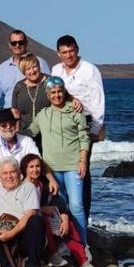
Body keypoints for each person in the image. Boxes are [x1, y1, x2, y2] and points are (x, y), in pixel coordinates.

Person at [28, 77, 91, 255]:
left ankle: (83, 245)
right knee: (59, 209)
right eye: (53, 93)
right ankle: (64, 244)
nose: (56, 95)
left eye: (59, 91)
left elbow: (84, 137)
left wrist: (83, 160)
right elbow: (30, 132)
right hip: (52, 169)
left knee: (76, 206)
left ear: (64, 92)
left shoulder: (76, 111)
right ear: (48, 96)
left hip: (73, 166)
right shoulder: (43, 115)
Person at [51, 35, 105, 220]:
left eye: (71, 51)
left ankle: (84, 219)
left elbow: (98, 103)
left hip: (85, 123)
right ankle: (65, 220)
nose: (68, 55)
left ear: (77, 50)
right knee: (61, 171)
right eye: (64, 52)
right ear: (59, 54)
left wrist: (94, 132)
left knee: (82, 172)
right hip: (62, 125)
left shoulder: (90, 70)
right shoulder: (56, 70)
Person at [21, 154, 100, 267]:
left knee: (69, 224)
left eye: (37, 166)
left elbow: (58, 202)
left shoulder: (45, 185)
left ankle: (83, 263)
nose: (35, 169)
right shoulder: (21, 187)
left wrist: (65, 216)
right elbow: (22, 210)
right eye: (31, 167)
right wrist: (42, 209)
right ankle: (53, 254)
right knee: (43, 219)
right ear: (24, 169)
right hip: (31, 230)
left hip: (50, 225)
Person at [0, 30, 51, 132]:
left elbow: (51, 88)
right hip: (8, 113)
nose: (17, 45)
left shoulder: (39, 63)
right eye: (14, 43)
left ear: (26, 43)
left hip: (34, 112)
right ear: (9, 45)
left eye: (21, 42)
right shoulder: (2, 69)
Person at [0, 159, 47, 267]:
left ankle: (34, 266)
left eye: (13, 172)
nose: (9, 176)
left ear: (19, 172)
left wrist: (11, 233)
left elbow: (29, 214)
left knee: (36, 221)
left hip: (22, 232)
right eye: (5, 173)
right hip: (0, 232)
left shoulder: (29, 187)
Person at [0, 109, 43, 180]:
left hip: (24, 180)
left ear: (16, 125)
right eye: (4, 125)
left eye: (12, 124)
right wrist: (8, 177)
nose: (8, 127)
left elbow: (38, 161)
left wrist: (51, 179)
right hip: (0, 179)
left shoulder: (27, 140)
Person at [11, 53, 52, 133]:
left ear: (39, 67)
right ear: (24, 72)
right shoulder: (19, 86)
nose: (32, 71)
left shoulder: (50, 82)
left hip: (48, 131)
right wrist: (16, 131)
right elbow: (15, 111)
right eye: (28, 69)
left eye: (34, 67)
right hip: (25, 131)